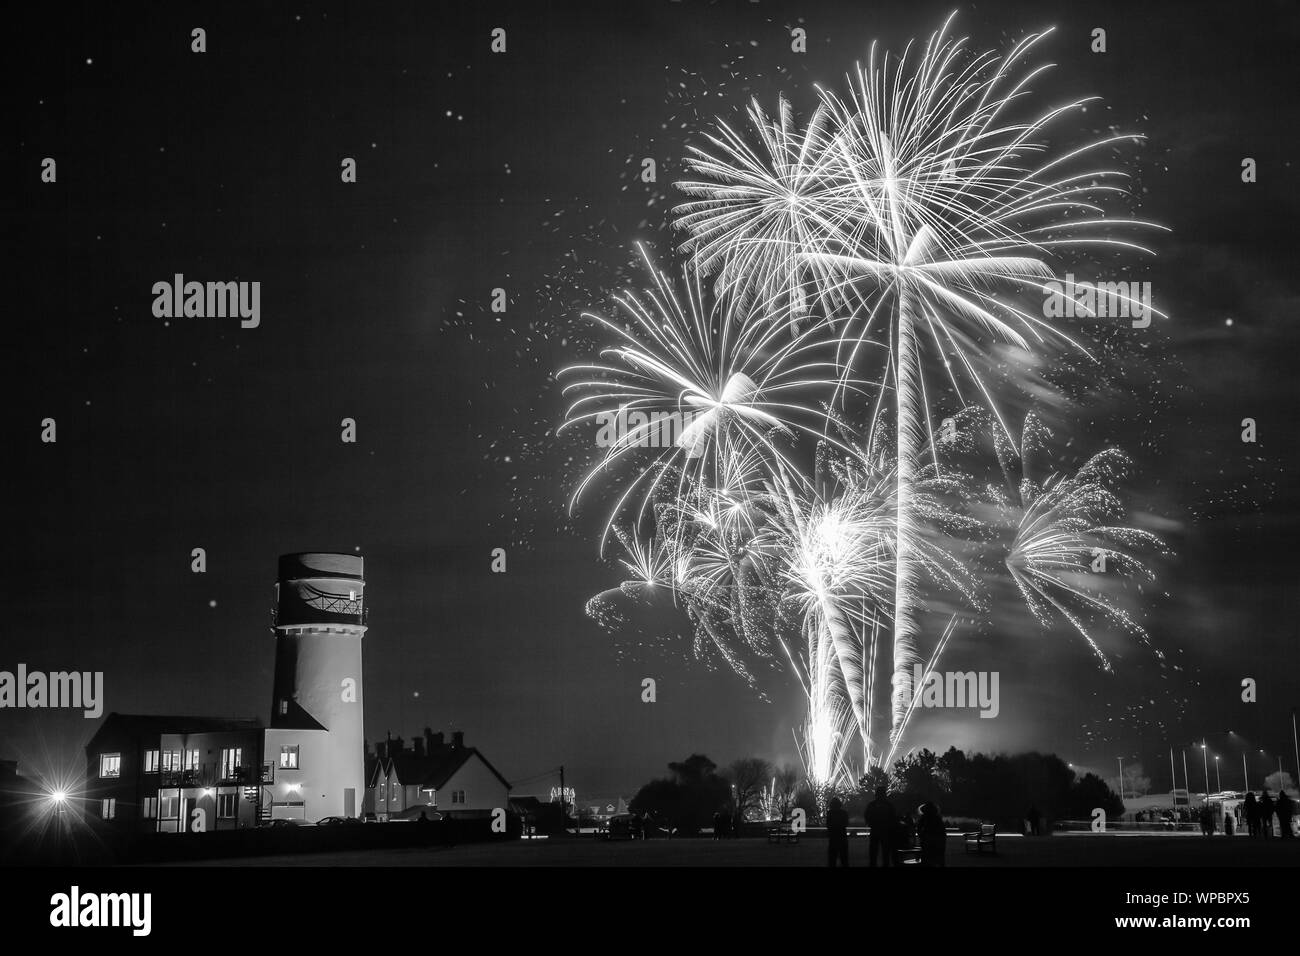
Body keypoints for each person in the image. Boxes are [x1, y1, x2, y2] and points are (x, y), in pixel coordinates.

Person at [865, 786, 897, 867]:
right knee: (885, 851)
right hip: (885, 831)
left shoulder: (872, 804)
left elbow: (867, 815)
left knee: (874, 851)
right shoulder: (889, 805)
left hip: (876, 830)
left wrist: (870, 823)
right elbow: (893, 817)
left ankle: (874, 864)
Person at [917, 801, 946, 867]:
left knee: (927, 858)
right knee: (939, 858)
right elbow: (942, 830)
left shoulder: (924, 817)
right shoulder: (938, 818)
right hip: (938, 840)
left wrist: (922, 836)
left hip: (927, 839)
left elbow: (919, 828)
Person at [826, 797, 850, 867]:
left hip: (833, 838)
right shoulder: (844, 813)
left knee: (832, 859)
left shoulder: (830, 813)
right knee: (844, 859)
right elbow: (846, 823)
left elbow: (828, 824)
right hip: (842, 837)